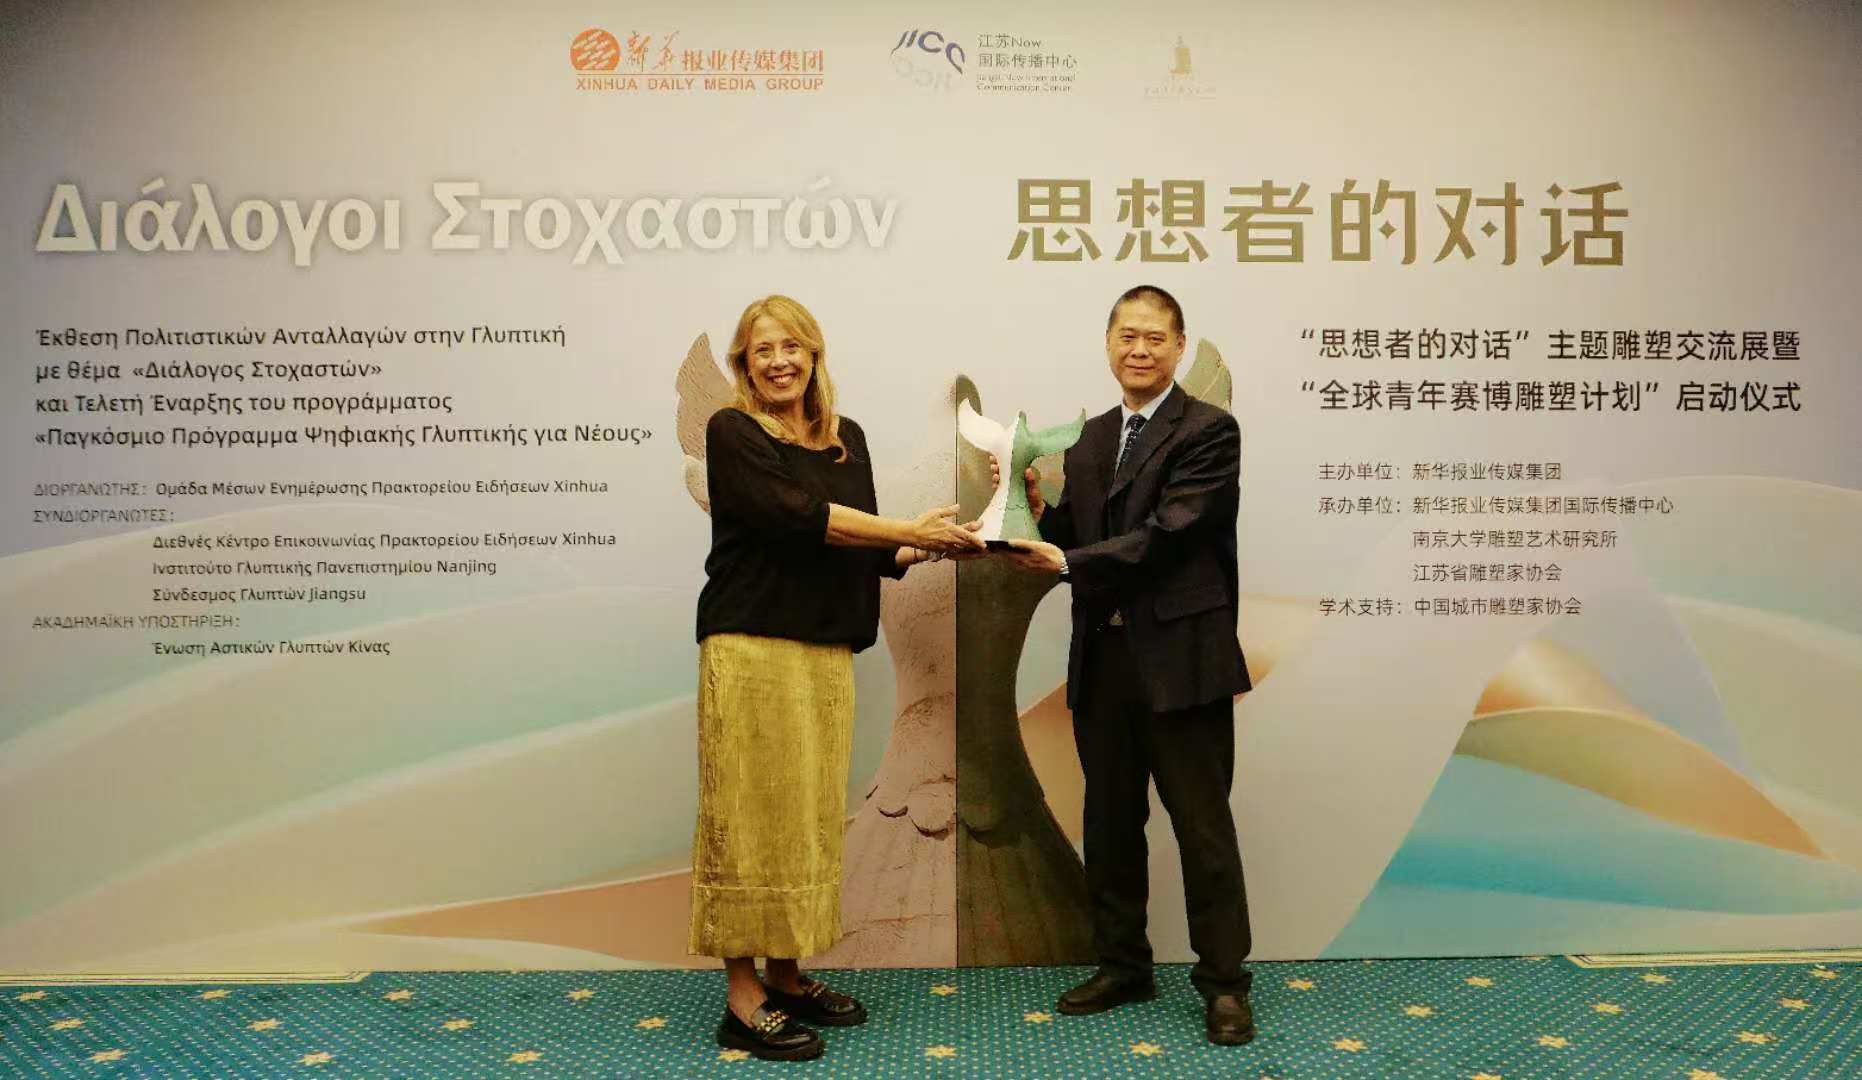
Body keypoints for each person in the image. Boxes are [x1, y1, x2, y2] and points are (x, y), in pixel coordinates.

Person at [690, 294, 985, 1062]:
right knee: (749, 818)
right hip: (751, 649)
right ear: (744, 364)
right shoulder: (733, 431)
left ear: (814, 354)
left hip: (824, 653)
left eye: (792, 346)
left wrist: (942, 541)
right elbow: (799, 515)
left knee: (808, 820)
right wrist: (907, 528)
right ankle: (743, 995)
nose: (779, 361)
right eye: (763, 350)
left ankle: (787, 977)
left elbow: (870, 546)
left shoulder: (846, 439)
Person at [999, 284, 1256, 1046]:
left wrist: (1067, 559)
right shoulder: (1088, 439)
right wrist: (1027, 506)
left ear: (1179, 347)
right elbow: (1074, 536)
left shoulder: (1210, 431)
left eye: (1154, 337)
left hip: (1182, 662)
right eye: (1126, 336)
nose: (1139, 349)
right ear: (1108, 343)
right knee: (1110, 823)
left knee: (1202, 829)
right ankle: (1122, 965)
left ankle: (1225, 984)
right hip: (1103, 661)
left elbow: (1170, 534)